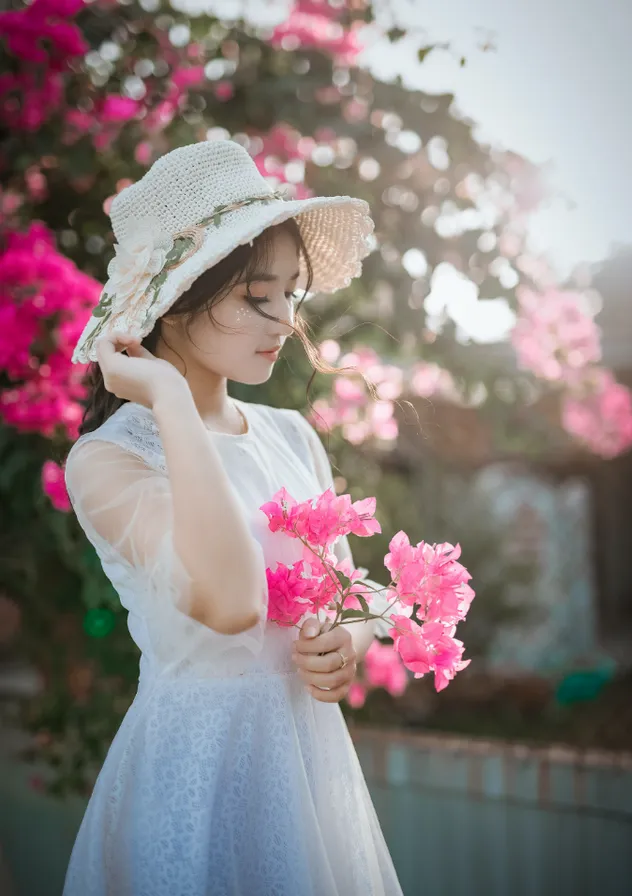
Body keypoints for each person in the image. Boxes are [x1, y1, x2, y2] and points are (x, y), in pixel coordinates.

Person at [62, 139, 405, 895]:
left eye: (292, 293)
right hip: (195, 770)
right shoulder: (108, 461)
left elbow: (355, 589)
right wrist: (172, 400)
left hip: (310, 769)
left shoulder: (291, 435)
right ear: (174, 297)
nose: (284, 319)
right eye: (258, 294)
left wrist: (345, 639)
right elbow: (228, 601)